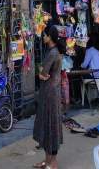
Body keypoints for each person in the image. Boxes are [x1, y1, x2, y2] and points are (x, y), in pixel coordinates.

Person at [33, 25, 65, 169]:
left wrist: (40, 71)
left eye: (45, 34)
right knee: (48, 125)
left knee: (50, 125)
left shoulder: (53, 53)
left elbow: (43, 74)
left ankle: (53, 162)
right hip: (50, 92)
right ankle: (47, 160)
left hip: (50, 94)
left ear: (50, 37)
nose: (43, 36)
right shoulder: (53, 51)